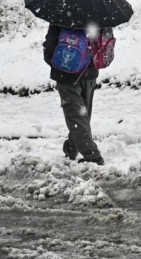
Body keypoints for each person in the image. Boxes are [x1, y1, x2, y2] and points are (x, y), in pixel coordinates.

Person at [43, 25, 104, 165]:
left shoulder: (60, 17)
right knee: (82, 114)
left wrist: (61, 64)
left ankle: (92, 155)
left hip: (66, 76)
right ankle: (72, 148)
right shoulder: (97, 16)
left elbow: (49, 47)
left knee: (76, 115)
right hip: (89, 74)